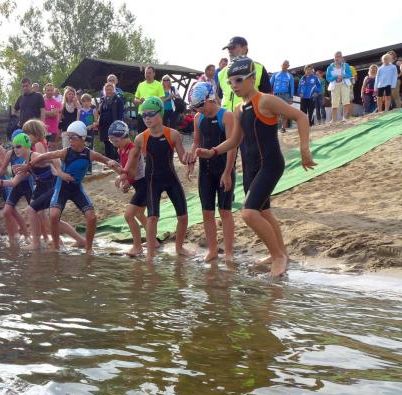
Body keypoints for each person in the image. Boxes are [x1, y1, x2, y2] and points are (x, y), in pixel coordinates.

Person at [200, 57, 316, 278]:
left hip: (270, 165)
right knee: (264, 212)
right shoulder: (238, 108)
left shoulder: (265, 101)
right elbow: (235, 140)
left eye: (239, 79)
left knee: (249, 213)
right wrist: (213, 151)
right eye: (231, 81)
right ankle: (281, 254)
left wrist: (304, 149)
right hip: (250, 168)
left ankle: (278, 257)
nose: (234, 85)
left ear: (252, 78)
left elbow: (300, 117)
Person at [29, 121, 121, 254]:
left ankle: (88, 249)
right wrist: (28, 165)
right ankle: (56, 246)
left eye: (73, 138)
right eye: (69, 137)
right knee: (53, 216)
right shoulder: (66, 152)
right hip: (62, 188)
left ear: (83, 138)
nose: (70, 141)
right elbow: (46, 156)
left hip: (76, 189)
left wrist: (122, 174)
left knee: (92, 217)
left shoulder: (90, 154)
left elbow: (108, 161)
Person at [132, 97, 194, 263]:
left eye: (150, 114)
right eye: (144, 115)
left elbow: (182, 158)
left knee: (183, 216)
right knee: (152, 217)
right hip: (153, 181)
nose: (147, 118)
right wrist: (124, 175)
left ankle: (179, 248)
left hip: (171, 179)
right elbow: (133, 160)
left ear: (160, 113)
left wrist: (189, 159)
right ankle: (150, 254)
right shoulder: (140, 138)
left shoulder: (173, 134)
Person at [188, 82, 236, 262]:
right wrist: (191, 160)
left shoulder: (226, 115)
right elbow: (196, 142)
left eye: (200, 105)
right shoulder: (197, 118)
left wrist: (227, 172)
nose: (198, 110)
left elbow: (232, 146)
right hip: (205, 172)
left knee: (225, 211)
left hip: (224, 168)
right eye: (195, 107)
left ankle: (229, 252)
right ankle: (213, 250)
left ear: (210, 99)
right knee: (207, 212)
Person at [108, 120, 150, 257]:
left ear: (124, 136)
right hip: (139, 184)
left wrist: (118, 172)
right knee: (139, 214)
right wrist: (126, 181)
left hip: (145, 185)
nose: (114, 144)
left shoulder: (133, 149)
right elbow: (128, 172)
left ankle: (137, 247)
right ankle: (153, 241)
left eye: (115, 140)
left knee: (129, 215)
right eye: (111, 141)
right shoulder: (121, 149)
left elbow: (129, 172)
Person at [217, 36, 272, 111]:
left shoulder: (259, 68)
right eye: (228, 49)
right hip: (227, 117)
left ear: (245, 49)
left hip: (251, 116)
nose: (230, 51)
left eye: (233, 47)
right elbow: (219, 96)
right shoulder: (222, 73)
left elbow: (268, 96)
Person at [96, 82, 125, 161]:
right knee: (106, 142)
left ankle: (116, 159)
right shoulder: (102, 99)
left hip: (113, 124)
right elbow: (99, 111)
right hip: (104, 125)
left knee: (114, 143)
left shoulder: (118, 99)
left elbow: (121, 113)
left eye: (110, 89)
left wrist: (118, 124)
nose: (108, 91)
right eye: (106, 89)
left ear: (113, 90)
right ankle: (108, 160)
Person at [134, 66, 164, 132]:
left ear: (154, 74)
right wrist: (140, 101)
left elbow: (162, 101)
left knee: (154, 135)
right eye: (146, 73)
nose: (147, 75)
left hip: (154, 115)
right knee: (141, 135)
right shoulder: (140, 85)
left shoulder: (159, 85)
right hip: (142, 115)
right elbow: (135, 100)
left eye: (149, 73)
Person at [325, 51, 353, 122]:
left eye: (339, 56)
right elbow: (328, 78)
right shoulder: (330, 67)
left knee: (346, 100)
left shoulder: (346, 65)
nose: (337, 58)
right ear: (334, 58)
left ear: (342, 58)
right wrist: (336, 77)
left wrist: (342, 76)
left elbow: (350, 74)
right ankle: (333, 120)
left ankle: (344, 118)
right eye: (336, 57)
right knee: (334, 102)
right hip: (334, 86)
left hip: (344, 84)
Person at [270, 60, 295, 132]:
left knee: (285, 112)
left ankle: (283, 128)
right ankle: (274, 128)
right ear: (281, 65)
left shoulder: (290, 76)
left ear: (288, 66)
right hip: (276, 95)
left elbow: (292, 87)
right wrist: (268, 93)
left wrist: (291, 97)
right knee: (276, 112)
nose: (285, 65)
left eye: (286, 64)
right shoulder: (275, 74)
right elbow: (270, 84)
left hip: (286, 95)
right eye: (284, 64)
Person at [43, 83, 62, 149]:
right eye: (48, 90)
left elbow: (54, 114)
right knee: (44, 149)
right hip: (43, 129)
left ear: (53, 91)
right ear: (45, 91)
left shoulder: (57, 102)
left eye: (51, 90)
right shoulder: (41, 102)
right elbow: (39, 113)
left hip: (53, 130)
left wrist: (44, 113)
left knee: (52, 150)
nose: (50, 92)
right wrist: (50, 113)